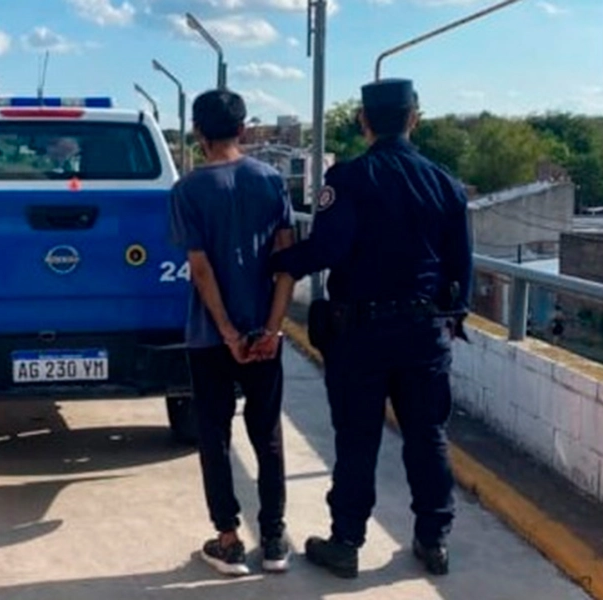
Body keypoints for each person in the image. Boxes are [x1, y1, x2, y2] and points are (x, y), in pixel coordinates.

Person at [270, 78, 472, 578]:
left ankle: (346, 542)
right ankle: (434, 540)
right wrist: (452, 318)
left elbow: (327, 249)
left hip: (361, 334)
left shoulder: (350, 179)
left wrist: (275, 261)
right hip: (424, 332)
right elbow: (460, 267)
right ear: (414, 119)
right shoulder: (444, 183)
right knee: (427, 435)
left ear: (364, 121)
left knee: (357, 440)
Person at [169, 89, 296, 576]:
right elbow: (285, 261)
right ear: (243, 129)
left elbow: (200, 270)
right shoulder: (271, 180)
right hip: (264, 334)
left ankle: (228, 540)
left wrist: (226, 332)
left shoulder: (187, 191)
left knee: (215, 435)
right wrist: (272, 329)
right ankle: (275, 538)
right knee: (267, 434)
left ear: (197, 133)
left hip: (210, 337)